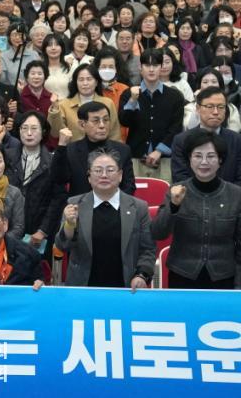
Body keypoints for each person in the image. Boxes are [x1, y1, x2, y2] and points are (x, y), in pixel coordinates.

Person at [56, 148, 155, 290]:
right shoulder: (75, 204)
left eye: (110, 170)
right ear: (89, 177)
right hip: (83, 287)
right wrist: (69, 224)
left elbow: (148, 249)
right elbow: (62, 246)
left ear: (120, 175)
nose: (104, 175)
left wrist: (141, 275)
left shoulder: (139, 208)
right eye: (97, 170)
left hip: (126, 287)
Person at [152, 131, 241, 289]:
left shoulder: (236, 194)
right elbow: (158, 232)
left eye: (211, 156)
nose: (204, 162)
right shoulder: (175, 190)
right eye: (198, 156)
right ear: (189, 159)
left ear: (220, 160)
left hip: (224, 276)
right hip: (182, 275)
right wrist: (174, 206)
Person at [119, 48, 185, 180]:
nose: (151, 69)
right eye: (147, 65)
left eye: (155, 65)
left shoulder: (175, 96)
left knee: (164, 191)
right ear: (140, 67)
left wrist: (159, 151)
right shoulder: (128, 93)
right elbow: (124, 121)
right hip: (136, 158)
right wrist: (132, 101)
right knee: (136, 191)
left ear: (161, 67)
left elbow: (176, 128)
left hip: (165, 160)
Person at [8, 111, 66, 253]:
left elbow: (58, 199)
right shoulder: (7, 157)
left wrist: (43, 230)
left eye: (34, 128)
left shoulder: (52, 161)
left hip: (38, 229)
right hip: (9, 227)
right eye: (24, 128)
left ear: (43, 131)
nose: (29, 133)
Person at [52, 101, 135, 196]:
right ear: (82, 125)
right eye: (96, 121)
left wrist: (113, 203)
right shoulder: (71, 150)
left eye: (106, 120)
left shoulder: (123, 150)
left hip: (114, 204)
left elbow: (129, 186)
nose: (102, 125)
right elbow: (58, 180)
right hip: (79, 204)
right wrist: (61, 147)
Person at [172, 87, 241, 185]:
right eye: (210, 106)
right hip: (191, 193)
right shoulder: (181, 140)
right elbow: (180, 179)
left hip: (230, 194)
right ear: (198, 109)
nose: (216, 112)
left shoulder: (237, 140)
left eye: (221, 107)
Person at [48, 64, 121, 143]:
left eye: (89, 79)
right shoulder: (64, 104)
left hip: (103, 149)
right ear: (76, 83)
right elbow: (55, 133)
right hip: (74, 149)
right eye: (81, 80)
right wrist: (55, 110)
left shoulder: (107, 103)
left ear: (96, 82)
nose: (85, 83)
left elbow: (114, 133)